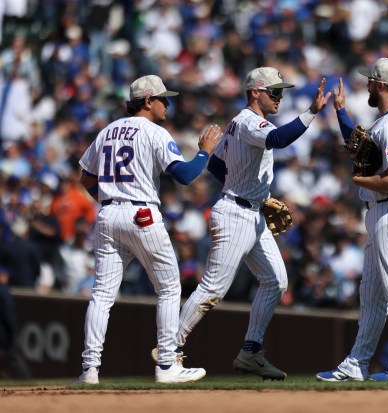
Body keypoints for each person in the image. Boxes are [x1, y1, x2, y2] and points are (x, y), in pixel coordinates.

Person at [156, 67, 332, 380]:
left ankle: (251, 352)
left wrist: (250, 192)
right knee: (213, 288)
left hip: (251, 212)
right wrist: (312, 111)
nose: (279, 97)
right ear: (255, 92)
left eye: (281, 92)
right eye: (274, 91)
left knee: (276, 281)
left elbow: (217, 165)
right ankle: (169, 350)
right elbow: (278, 138)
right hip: (236, 214)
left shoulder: (237, 123)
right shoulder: (250, 122)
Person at [75, 75, 223, 384]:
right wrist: (204, 152)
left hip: (108, 214)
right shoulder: (154, 132)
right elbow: (183, 175)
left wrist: (110, 199)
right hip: (141, 214)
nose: (167, 104)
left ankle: (89, 370)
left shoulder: (107, 131)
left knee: (101, 295)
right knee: (169, 287)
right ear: (147, 100)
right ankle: (167, 366)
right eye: (162, 99)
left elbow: (86, 178)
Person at [316, 57, 388, 381]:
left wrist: (361, 181)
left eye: (369, 81)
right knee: (372, 294)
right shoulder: (387, 121)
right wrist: (340, 112)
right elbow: (361, 147)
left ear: (379, 85)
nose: (366, 85)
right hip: (382, 212)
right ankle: (357, 362)